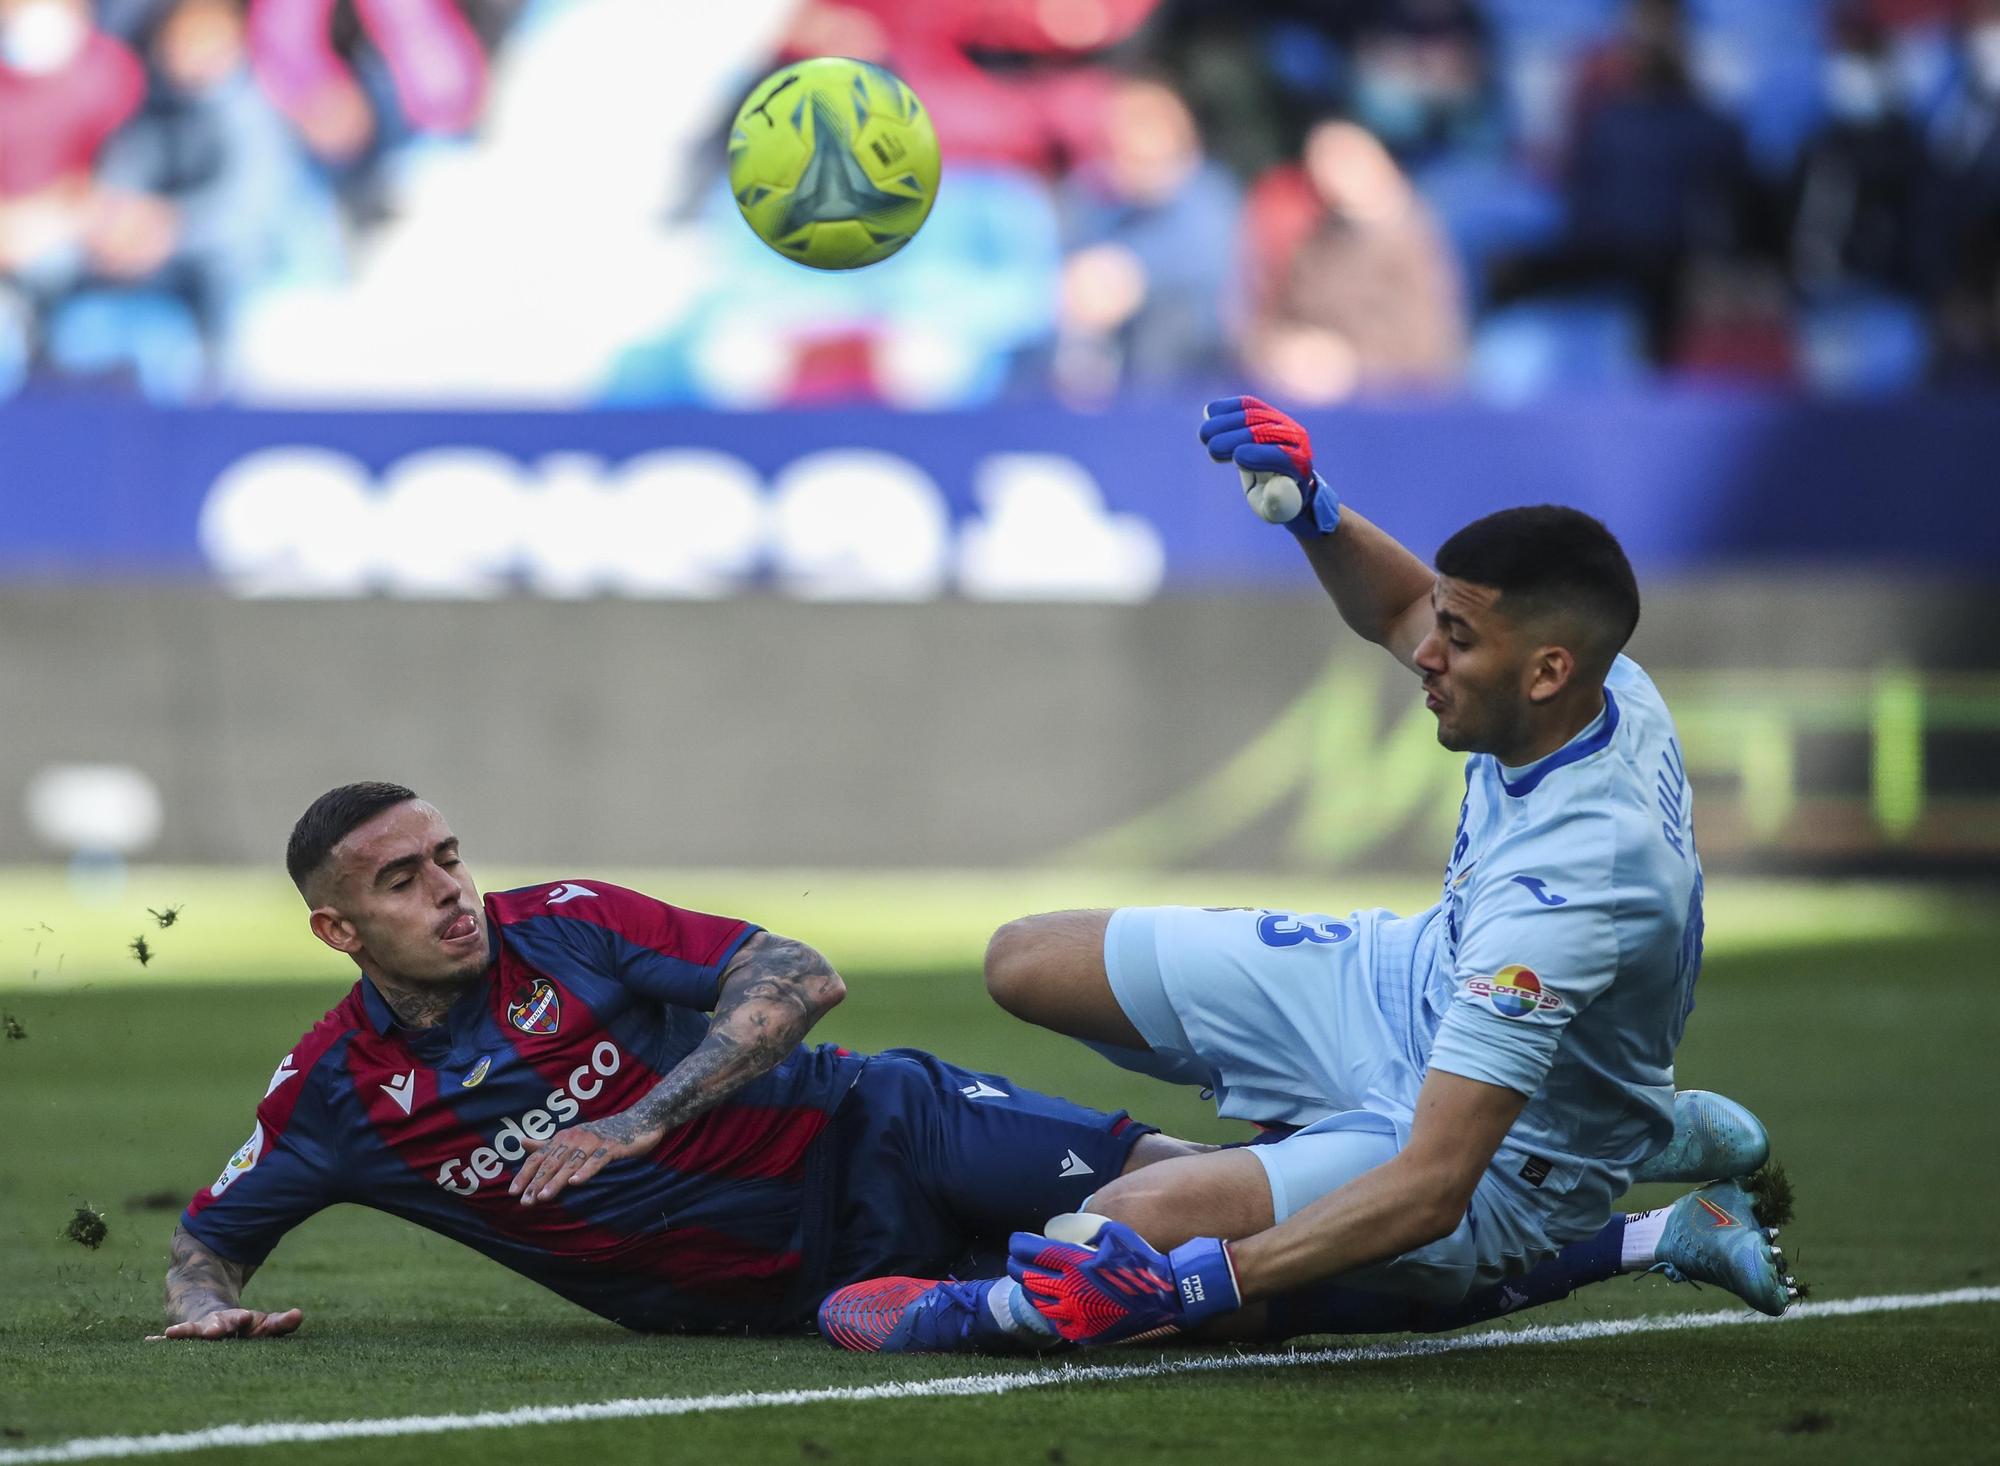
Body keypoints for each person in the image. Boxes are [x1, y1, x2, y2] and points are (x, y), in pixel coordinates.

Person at [818, 394, 1797, 1352]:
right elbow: (1402, 602)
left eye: (1454, 639)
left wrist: (1213, 1273)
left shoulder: (1568, 894)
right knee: (1027, 960)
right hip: (1404, 980)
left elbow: (1432, 1183)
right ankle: (1613, 1125)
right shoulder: (1600, 680)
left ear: (1542, 671)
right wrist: (1310, 506)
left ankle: (985, 1308)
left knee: (1125, 1237)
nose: (1423, 650)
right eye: (1442, 624)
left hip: (1503, 1151)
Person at [151, 782, 1202, 1340]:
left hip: (884, 1128)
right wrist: (207, 1308)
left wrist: (638, 1116)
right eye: (401, 878)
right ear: (339, 931)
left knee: (1191, 1188)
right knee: (1196, 1302)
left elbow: (798, 970)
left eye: (449, 856)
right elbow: (207, 1244)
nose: (448, 888)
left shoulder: (570, 924)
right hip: (828, 1293)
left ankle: (1340, 1167)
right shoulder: (335, 1093)